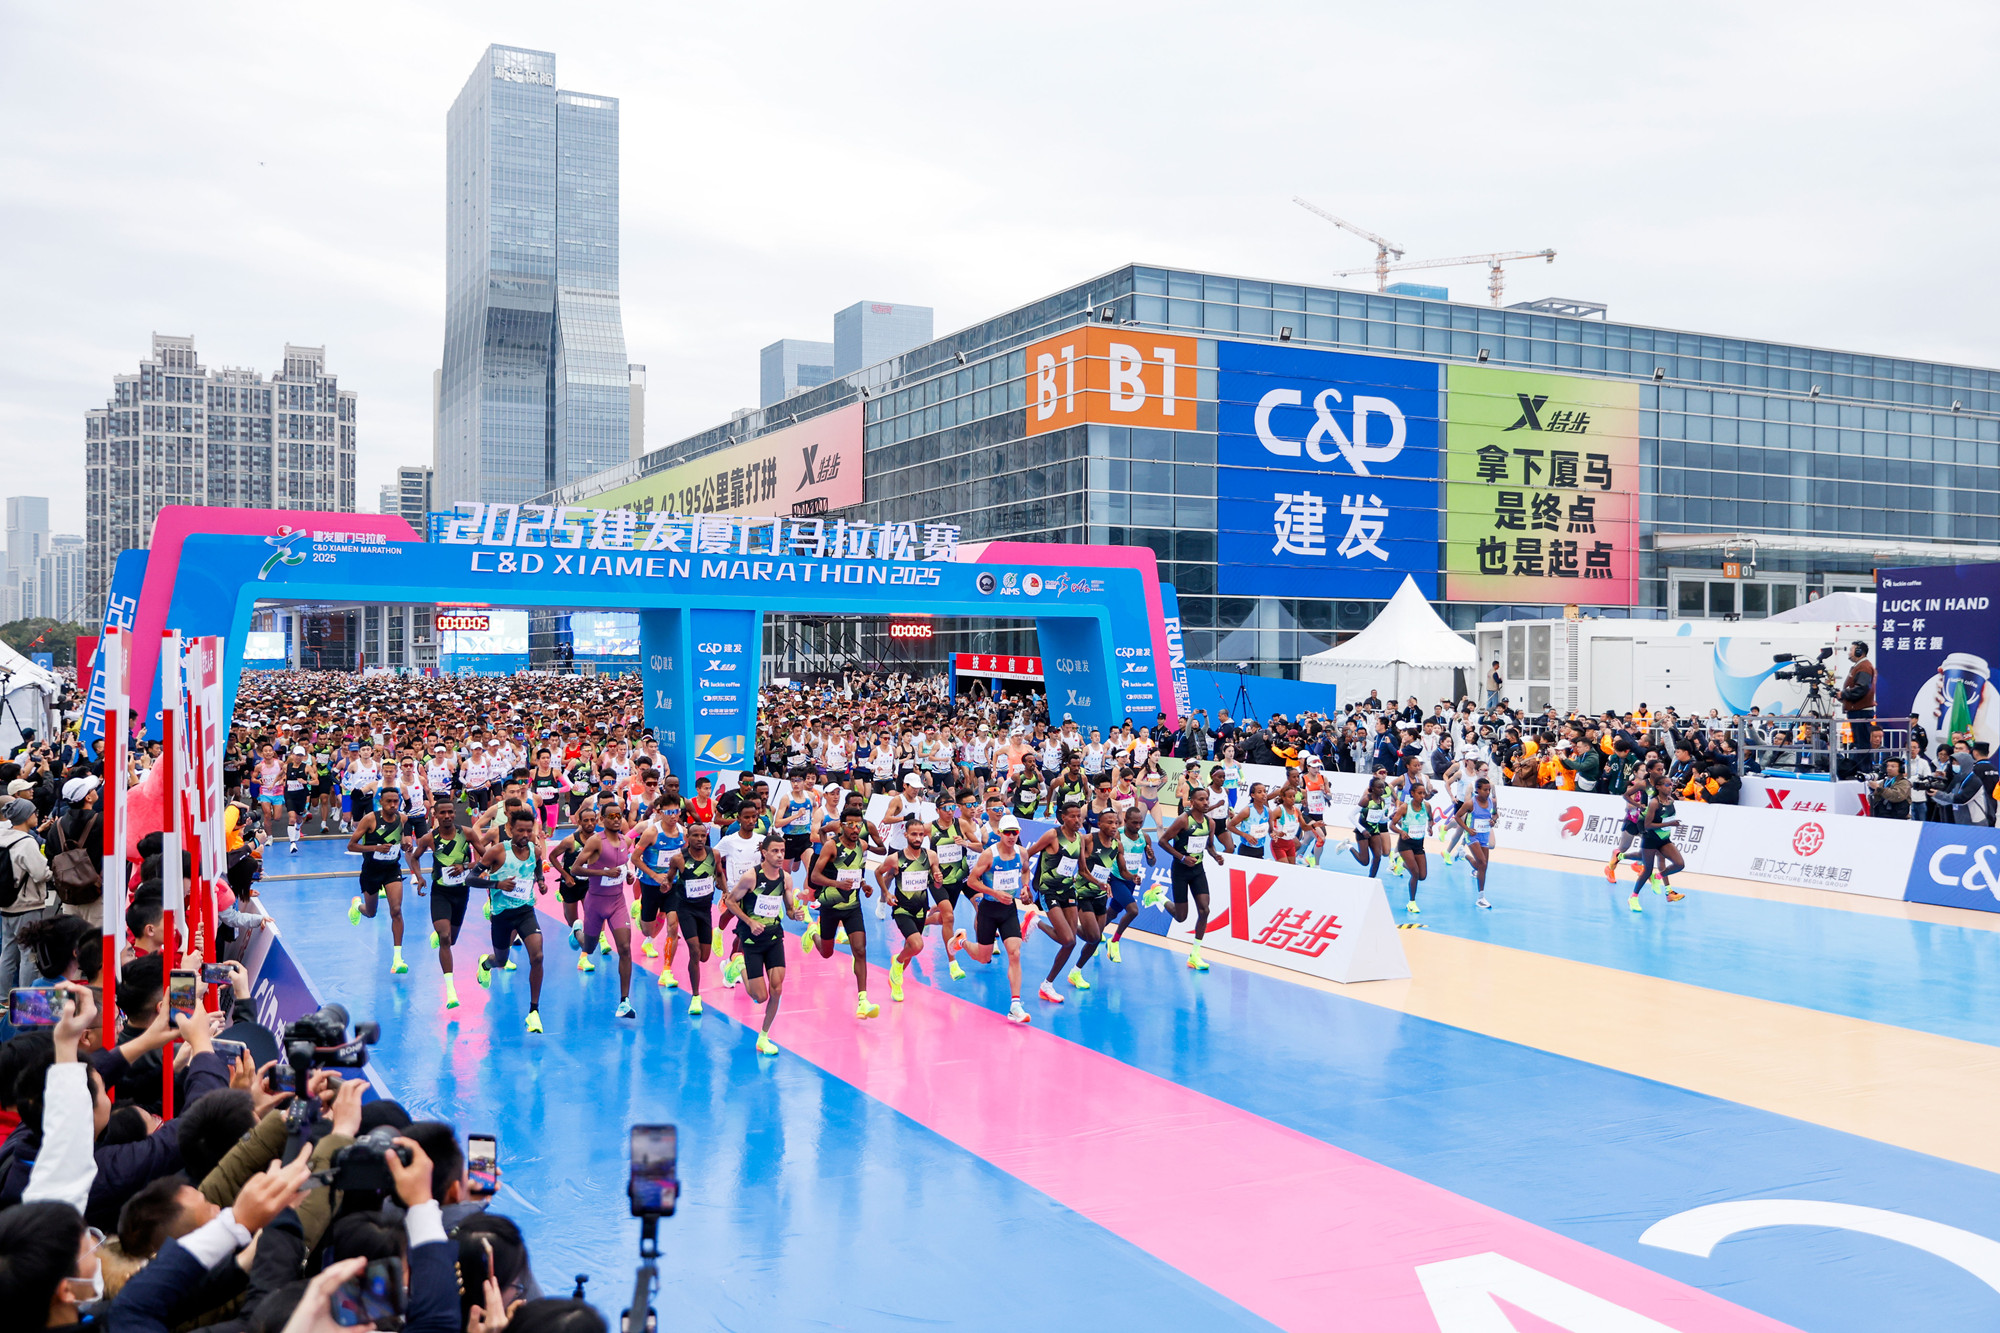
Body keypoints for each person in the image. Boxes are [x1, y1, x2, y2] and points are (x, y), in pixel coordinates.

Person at [949, 816, 1035, 1023]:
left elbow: (1025, 872)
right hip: (988, 909)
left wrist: (1024, 888)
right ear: (999, 833)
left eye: (1015, 832)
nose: (1012, 836)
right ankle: (960, 941)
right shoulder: (989, 855)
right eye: (1007, 832)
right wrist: (994, 893)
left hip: (1009, 910)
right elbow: (971, 881)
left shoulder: (1022, 852)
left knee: (1014, 953)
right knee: (983, 958)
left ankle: (1015, 1005)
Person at [725, 834, 801, 1055]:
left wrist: (794, 913)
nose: (780, 855)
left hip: (774, 937)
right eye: (775, 851)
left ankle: (764, 1037)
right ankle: (738, 964)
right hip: (751, 939)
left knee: (776, 988)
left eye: (782, 851)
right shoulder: (751, 877)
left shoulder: (786, 878)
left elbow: (788, 908)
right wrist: (749, 921)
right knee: (760, 996)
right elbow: (730, 901)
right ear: (764, 853)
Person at [476, 807, 549, 1033]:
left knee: (537, 955)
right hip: (502, 916)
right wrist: (497, 884)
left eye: (529, 831)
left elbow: (537, 867)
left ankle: (534, 1012)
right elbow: (471, 879)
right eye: (520, 831)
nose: (525, 835)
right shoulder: (497, 852)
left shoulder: (535, 851)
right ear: (510, 829)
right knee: (500, 959)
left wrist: (541, 880)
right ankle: (485, 964)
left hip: (526, 911)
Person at [803, 812, 880, 1019]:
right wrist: (837, 884)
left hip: (853, 906)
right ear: (842, 826)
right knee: (827, 953)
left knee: (860, 950)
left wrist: (864, 885)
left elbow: (858, 872)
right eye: (851, 825)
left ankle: (863, 1000)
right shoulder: (831, 846)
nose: (855, 829)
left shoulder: (862, 846)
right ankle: (812, 933)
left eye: (859, 825)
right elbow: (814, 876)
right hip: (830, 905)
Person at [409, 792, 480, 1010]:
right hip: (440, 892)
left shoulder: (466, 833)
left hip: (461, 892)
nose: (448, 815)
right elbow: (413, 856)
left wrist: (467, 867)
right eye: (443, 813)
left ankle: (441, 933)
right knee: (445, 938)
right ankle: (450, 989)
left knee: (452, 939)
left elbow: (485, 859)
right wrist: (419, 877)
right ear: (436, 815)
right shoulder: (429, 838)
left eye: (451, 812)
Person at [571, 802, 638, 1018]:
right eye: (612, 816)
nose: (617, 819)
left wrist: (627, 876)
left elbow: (623, 869)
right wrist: (603, 873)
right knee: (589, 948)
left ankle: (624, 1001)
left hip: (617, 901)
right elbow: (576, 869)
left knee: (625, 948)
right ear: (603, 820)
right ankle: (577, 932)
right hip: (596, 902)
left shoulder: (624, 841)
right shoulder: (595, 841)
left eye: (619, 816)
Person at [1156, 787, 1231, 972]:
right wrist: (1181, 858)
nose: (1205, 803)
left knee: (1204, 910)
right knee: (1181, 917)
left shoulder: (1210, 823)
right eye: (1201, 799)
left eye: (1207, 799)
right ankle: (1158, 896)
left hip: (1197, 870)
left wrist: (1216, 856)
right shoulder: (1183, 820)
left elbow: (1210, 846)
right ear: (1192, 801)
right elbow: (1163, 841)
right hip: (1181, 871)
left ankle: (1195, 954)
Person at [345, 786, 417, 976]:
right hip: (371, 870)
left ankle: (397, 959)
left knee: (396, 911)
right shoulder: (370, 819)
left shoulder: (402, 818)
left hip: (392, 869)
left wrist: (405, 845)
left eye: (396, 801)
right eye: (389, 801)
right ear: (381, 802)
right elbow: (351, 846)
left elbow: (400, 840)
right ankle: (357, 906)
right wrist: (375, 848)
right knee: (371, 912)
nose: (393, 805)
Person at [874, 815, 943, 1004]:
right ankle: (897, 961)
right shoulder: (895, 858)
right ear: (905, 835)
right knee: (917, 945)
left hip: (921, 909)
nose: (918, 838)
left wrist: (938, 881)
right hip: (902, 909)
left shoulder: (931, 856)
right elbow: (878, 872)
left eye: (921, 834)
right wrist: (886, 894)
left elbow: (936, 885)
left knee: (910, 949)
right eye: (914, 834)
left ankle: (896, 982)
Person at [0, 796, 57, 995]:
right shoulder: (26, 842)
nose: (36, 815)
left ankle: (3, 998)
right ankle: (25, 997)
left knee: (8, 952)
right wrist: (51, 872)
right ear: (25, 817)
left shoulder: (3, 837)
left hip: (6, 903)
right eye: (33, 812)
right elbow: (41, 873)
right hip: (27, 904)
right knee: (29, 954)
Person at [660, 823, 717, 1013]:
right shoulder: (678, 858)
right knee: (694, 951)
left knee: (704, 956)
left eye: (703, 835)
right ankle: (695, 997)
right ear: (688, 837)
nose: (700, 839)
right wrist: (666, 885)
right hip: (685, 909)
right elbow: (670, 878)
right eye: (695, 836)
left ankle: (696, 992)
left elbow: (720, 875)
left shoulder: (714, 855)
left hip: (705, 910)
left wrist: (725, 891)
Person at [1450, 776, 1497, 909]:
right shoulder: (1470, 803)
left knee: (1481, 866)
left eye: (1489, 790)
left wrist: (1493, 820)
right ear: (1477, 790)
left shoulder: (1492, 802)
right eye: (1485, 790)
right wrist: (1467, 829)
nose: (1487, 792)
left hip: (1484, 835)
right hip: (1473, 836)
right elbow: (1457, 816)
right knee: (1482, 863)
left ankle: (1463, 854)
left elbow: (1495, 814)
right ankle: (1481, 897)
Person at [1841, 641, 1876, 722]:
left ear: (1859, 652)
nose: (1849, 653)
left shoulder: (1864, 667)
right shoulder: (1860, 666)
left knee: (1861, 734)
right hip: (1858, 711)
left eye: (1851, 650)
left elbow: (1862, 688)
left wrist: (1843, 694)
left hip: (1860, 712)